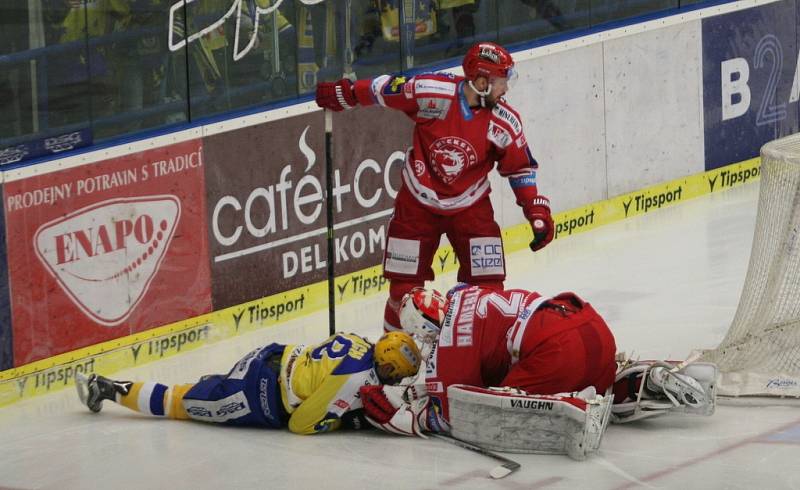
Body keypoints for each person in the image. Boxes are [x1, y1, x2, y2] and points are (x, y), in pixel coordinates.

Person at [314, 41, 555, 333]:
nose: (506, 90)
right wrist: (347, 94)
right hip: (417, 205)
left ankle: (476, 353)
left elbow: (520, 168)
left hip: (471, 207)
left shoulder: (504, 122)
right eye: (501, 82)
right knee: (402, 292)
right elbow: (385, 88)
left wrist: (535, 210)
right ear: (480, 81)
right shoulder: (432, 93)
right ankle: (395, 357)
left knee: (487, 291)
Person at [358, 285, 716, 436]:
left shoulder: (449, 340)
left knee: (495, 406)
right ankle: (643, 379)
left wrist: (398, 417)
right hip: (591, 326)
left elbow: (453, 412)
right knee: (602, 378)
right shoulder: (467, 293)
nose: (423, 342)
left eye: (420, 334)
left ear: (423, 326)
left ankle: (577, 405)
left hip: (556, 353)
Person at [75, 331, 422, 435]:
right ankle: (105, 388)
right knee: (180, 403)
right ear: (389, 368)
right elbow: (302, 425)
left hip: (269, 356)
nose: (397, 381)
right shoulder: (357, 378)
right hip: (256, 396)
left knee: (204, 387)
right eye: (398, 374)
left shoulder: (357, 339)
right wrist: (347, 420)